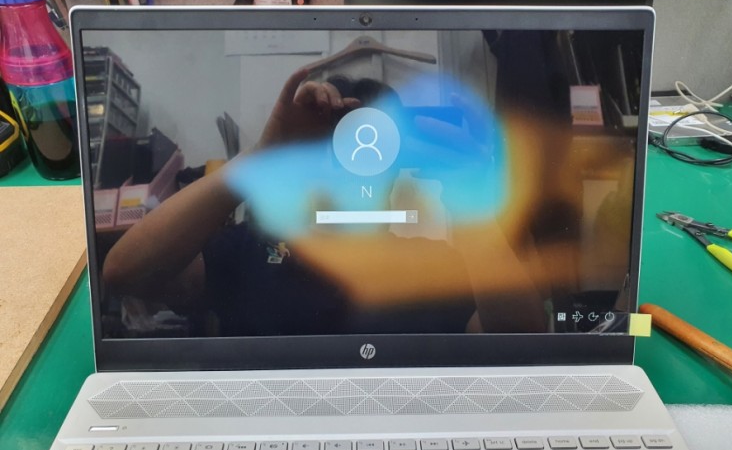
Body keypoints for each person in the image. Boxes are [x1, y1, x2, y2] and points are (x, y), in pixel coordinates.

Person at [102, 67, 481, 337]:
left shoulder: (436, 267)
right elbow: (124, 273)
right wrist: (262, 157)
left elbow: (508, 336)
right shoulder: (251, 251)